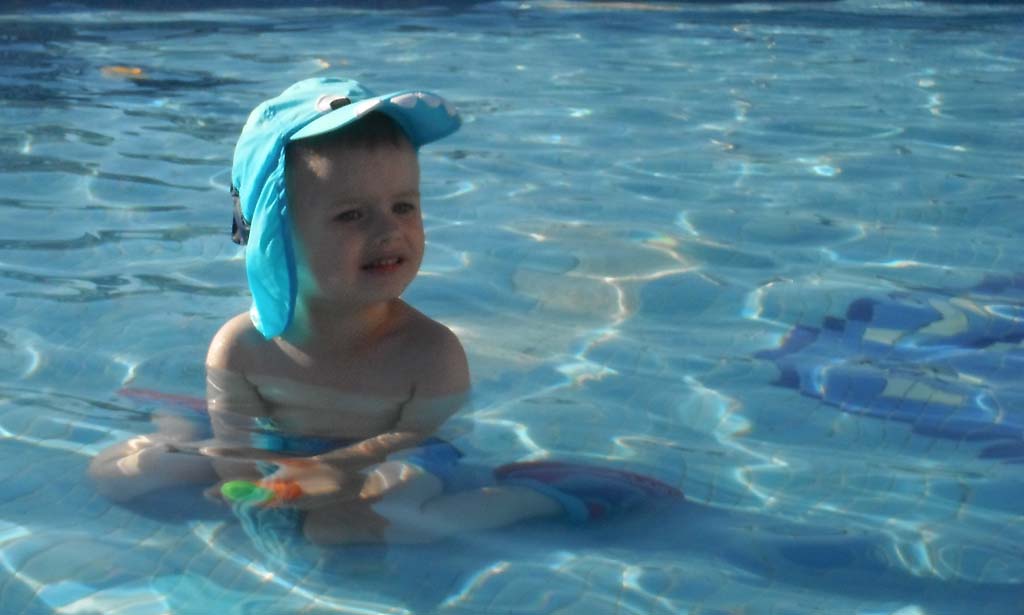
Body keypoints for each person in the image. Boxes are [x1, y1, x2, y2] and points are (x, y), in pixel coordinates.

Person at [90, 77, 566, 544]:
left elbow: (428, 441)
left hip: (391, 463)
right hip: (285, 450)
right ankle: (182, 422)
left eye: (403, 206)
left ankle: (529, 498)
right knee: (121, 472)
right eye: (351, 214)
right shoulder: (241, 347)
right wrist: (256, 497)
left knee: (354, 526)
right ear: (275, 236)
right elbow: (237, 450)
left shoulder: (430, 352)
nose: (389, 231)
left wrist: (334, 468)